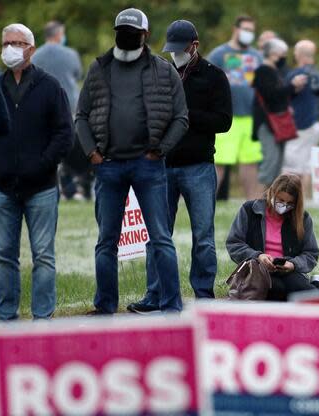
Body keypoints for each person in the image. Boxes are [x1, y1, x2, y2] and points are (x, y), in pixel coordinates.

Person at [76, 8, 189, 314]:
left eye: (131, 32)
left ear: (145, 35)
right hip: (108, 166)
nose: (125, 37)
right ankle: (105, 306)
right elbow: (82, 116)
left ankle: (172, 306)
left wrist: (161, 150)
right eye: (121, 32)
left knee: (161, 239)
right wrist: (92, 153)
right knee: (106, 242)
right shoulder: (99, 68)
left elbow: (181, 118)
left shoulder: (163, 70)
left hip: (148, 166)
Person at [127, 20, 232, 314]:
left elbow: (223, 121)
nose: (174, 55)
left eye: (180, 49)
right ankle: (155, 294)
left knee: (203, 236)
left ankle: (203, 295)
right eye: (170, 50)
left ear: (194, 46)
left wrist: (185, 114)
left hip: (198, 166)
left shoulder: (213, 76)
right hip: (161, 165)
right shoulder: (159, 74)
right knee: (158, 234)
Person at [0, 23, 73, 320]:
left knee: (43, 256)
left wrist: (42, 164)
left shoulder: (50, 87)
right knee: (4, 258)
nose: (10, 48)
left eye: (16, 43)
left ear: (31, 49)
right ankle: (7, 318)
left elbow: (64, 133)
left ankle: (42, 318)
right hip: (0, 188)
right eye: (5, 43)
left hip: (41, 187)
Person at [226, 174, 319, 301]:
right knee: (277, 290)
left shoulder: (302, 218)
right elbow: (234, 244)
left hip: (288, 271)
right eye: (280, 200)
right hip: (258, 271)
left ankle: (314, 287)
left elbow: (311, 253)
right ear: (271, 193)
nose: (284, 206)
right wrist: (258, 256)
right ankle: (313, 285)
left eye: (289, 203)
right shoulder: (249, 210)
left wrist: (293, 264)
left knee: (309, 297)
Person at [32, 20, 90, 201]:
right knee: (70, 150)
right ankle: (74, 186)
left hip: (43, 110)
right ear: (59, 35)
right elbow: (77, 74)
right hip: (68, 108)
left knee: (49, 151)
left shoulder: (35, 56)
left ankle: (57, 188)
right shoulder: (70, 54)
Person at [207, 15, 263, 200]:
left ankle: (253, 206)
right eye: (245, 29)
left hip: (251, 117)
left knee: (250, 163)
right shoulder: (219, 54)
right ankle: (206, 202)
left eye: (251, 30)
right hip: (227, 116)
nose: (249, 34)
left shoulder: (256, 56)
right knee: (219, 162)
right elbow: (206, 81)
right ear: (235, 29)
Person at [253, 38, 308, 189]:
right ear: (272, 54)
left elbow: (281, 97)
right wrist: (292, 85)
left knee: (276, 166)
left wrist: (294, 90)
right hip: (268, 124)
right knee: (270, 166)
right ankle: (259, 201)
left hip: (276, 125)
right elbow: (271, 95)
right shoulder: (263, 71)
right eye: (282, 54)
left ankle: (269, 201)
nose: (284, 57)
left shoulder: (274, 72)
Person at [283, 39, 319, 195]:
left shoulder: (297, 75)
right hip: (314, 124)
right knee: (306, 166)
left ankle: (288, 197)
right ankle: (303, 199)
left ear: (298, 55)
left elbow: (285, 96)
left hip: (299, 125)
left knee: (290, 167)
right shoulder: (316, 74)